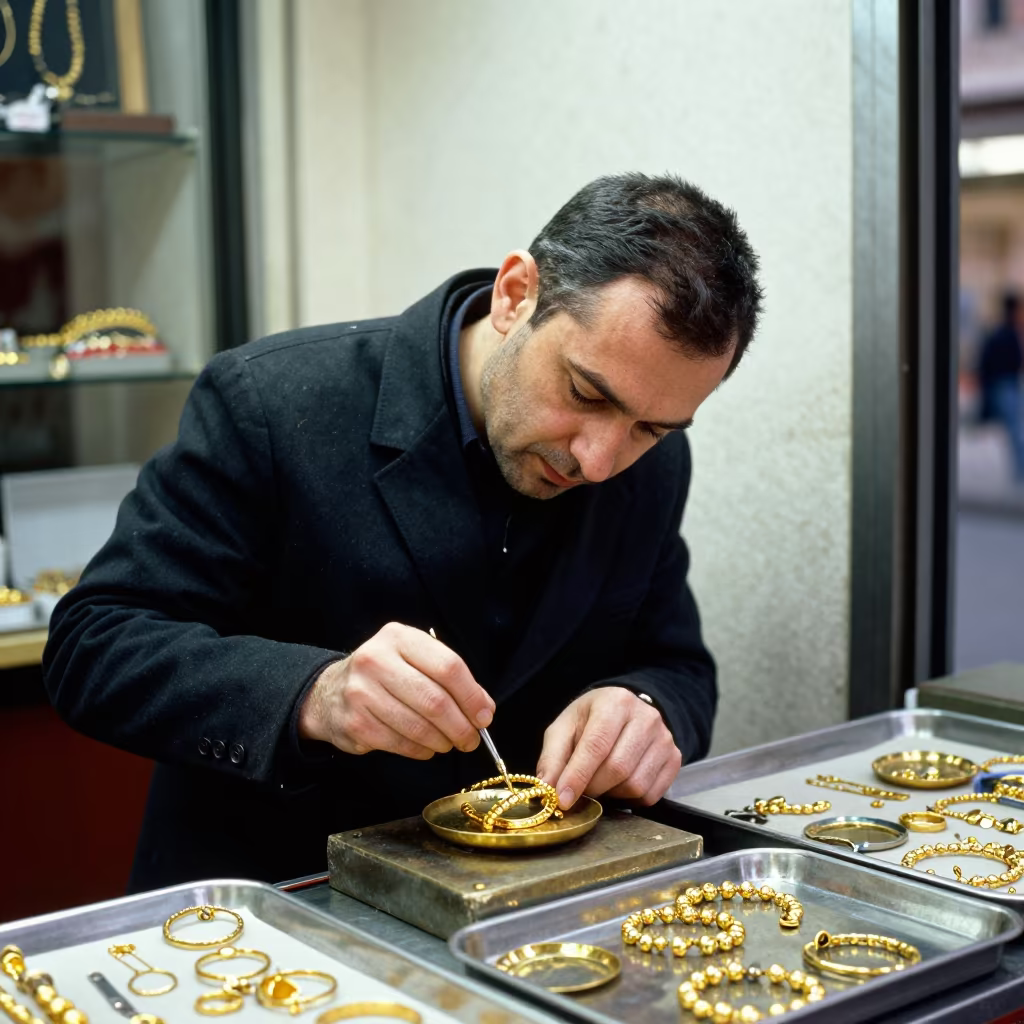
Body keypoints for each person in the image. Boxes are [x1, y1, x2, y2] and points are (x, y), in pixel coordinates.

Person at [43, 173, 763, 890]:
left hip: (528, 917)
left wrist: (644, 708)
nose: (599, 460)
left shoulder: (655, 466)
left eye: (650, 428)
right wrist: (315, 696)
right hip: (276, 910)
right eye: (585, 393)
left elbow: (677, 667)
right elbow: (96, 645)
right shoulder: (270, 402)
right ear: (516, 295)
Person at [977, 291, 1024, 482]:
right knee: (1014, 431)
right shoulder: (1006, 333)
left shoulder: (1004, 332)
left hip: (1004, 385)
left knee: (1014, 431)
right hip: (1005, 385)